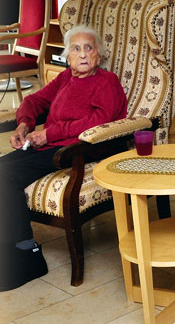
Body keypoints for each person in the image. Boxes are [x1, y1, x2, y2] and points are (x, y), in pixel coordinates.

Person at [0, 26, 127, 291]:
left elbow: (99, 121)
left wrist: (50, 134)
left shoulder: (107, 81)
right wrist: (24, 125)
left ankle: (28, 255)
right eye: (76, 48)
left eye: (89, 48)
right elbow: (34, 101)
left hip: (75, 151)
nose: (82, 54)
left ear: (99, 55)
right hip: (48, 145)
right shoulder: (66, 78)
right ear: (67, 56)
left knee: (6, 176)